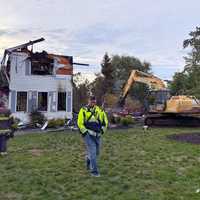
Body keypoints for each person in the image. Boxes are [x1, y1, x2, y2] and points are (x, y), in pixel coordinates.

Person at [77, 95, 108, 177]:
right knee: (93, 153)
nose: (93, 103)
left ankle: (88, 158)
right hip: (88, 135)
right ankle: (94, 172)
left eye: (94, 101)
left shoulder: (99, 110)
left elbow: (105, 121)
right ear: (88, 101)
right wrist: (85, 133)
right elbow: (80, 123)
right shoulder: (83, 110)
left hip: (97, 135)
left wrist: (102, 131)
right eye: (91, 101)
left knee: (97, 152)